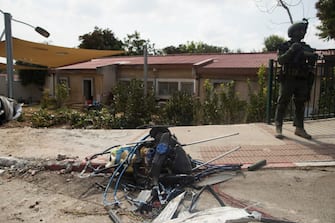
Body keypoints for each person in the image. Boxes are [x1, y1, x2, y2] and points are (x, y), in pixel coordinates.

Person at [274, 19, 318, 139]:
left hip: (302, 79)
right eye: (300, 30)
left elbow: (312, 60)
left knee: (300, 104)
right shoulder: (285, 46)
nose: (302, 33)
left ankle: (299, 128)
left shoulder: (306, 47)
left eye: (303, 31)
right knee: (282, 103)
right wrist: (292, 50)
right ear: (293, 32)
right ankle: (278, 126)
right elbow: (281, 60)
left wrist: (311, 56)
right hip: (288, 78)